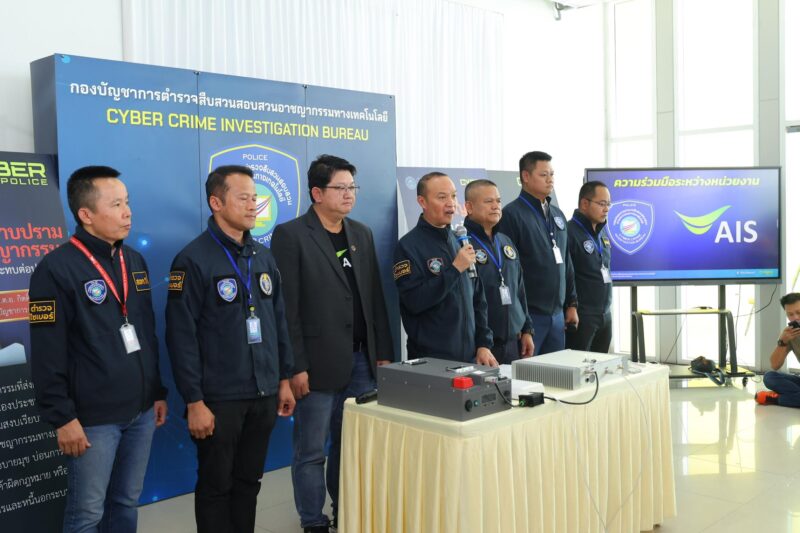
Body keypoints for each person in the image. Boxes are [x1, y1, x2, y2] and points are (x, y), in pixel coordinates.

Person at [28, 165, 168, 533]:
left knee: (125, 503)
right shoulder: (55, 269)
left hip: (140, 412)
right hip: (93, 420)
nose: (128, 213)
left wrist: (156, 392)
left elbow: (146, 333)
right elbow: (46, 352)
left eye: (128, 202)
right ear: (86, 214)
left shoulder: (133, 260)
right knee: (87, 515)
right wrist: (62, 418)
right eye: (116, 204)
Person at [165, 165, 295, 533]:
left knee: (248, 482)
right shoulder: (192, 260)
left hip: (264, 392)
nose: (253, 205)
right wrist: (194, 400)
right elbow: (181, 337)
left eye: (255, 198)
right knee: (216, 486)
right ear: (216, 202)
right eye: (243, 198)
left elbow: (279, 321)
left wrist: (284, 379)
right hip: (218, 399)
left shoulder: (263, 257)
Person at [271, 155, 396, 533]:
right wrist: (295, 366)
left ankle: (347, 509)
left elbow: (374, 298)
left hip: (361, 361)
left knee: (351, 446)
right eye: (340, 188)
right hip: (316, 364)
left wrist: (383, 354)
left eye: (352, 187)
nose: (349, 195)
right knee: (311, 452)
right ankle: (313, 521)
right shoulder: (291, 235)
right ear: (316, 193)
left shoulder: (361, 233)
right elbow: (287, 309)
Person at [394, 172, 496, 366]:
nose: (451, 203)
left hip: (470, 357)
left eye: (453, 196)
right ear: (422, 202)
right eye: (442, 197)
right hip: (431, 359)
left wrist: (483, 344)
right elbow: (414, 301)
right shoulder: (408, 246)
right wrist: (455, 269)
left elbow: (478, 299)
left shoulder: (461, 241)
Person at [496, 151, 578, 355]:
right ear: (525, 176)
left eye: (552, 174)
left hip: (557, 316)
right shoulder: (511, 215)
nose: (550, 179)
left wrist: (572, 303)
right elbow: (509, 273)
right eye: (543, 175)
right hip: (530, 316)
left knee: (556, 371)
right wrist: (522, 322)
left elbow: (566, 261)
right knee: (528, 374)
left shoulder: (557, 215)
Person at [463, 179, 534, 363]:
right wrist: (481, 343)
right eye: (488, 201)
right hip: (482, 346)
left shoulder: (505, 241)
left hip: (513, 342)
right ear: (469, 207)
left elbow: (519, 289)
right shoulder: (462, 245)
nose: (495, 206)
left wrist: (527, 329)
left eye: (498, 201)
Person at [566, 181, 613, 353]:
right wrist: (571, 306)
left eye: (608, 204)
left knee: (601, 365)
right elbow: (566, 276)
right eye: (602, 204)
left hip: (605, 314)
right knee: (579, 365)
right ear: (585, 204)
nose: (606, 209)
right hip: (582, 315)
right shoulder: (569, 232)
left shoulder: (602, 232)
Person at [756, 293, 800, 406]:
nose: (795, 317)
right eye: (790, 314)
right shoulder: (790, 334)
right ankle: (794, 397)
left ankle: (777, 399)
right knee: (770, 377)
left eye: (799, 312)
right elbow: (775, 365)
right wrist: (782, 342)